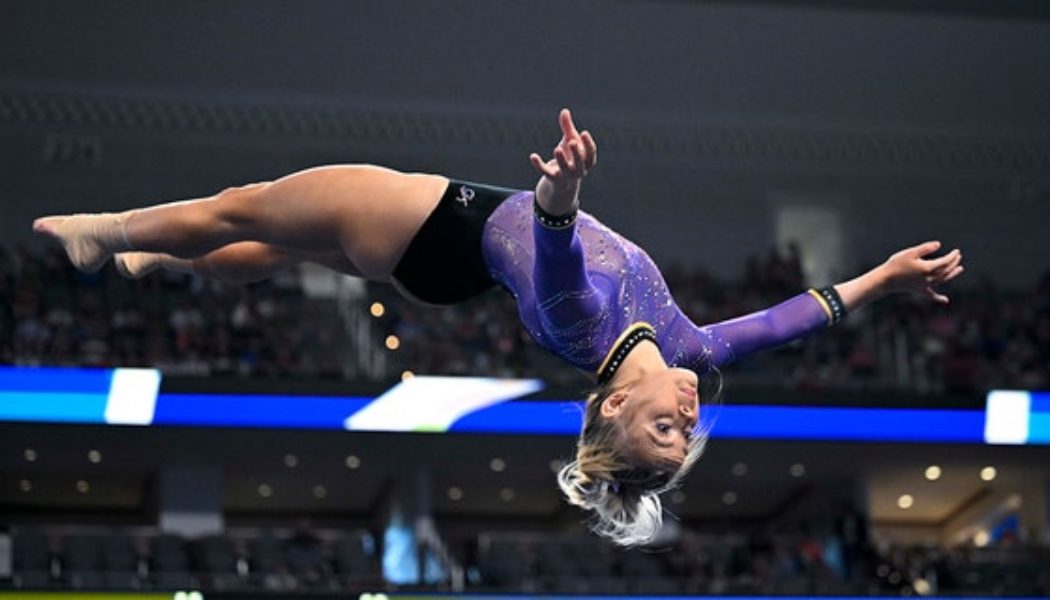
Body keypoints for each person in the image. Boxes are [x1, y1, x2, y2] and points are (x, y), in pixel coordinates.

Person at [34, 109, 964, 546]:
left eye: (663, 428)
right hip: (445, 269)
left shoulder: (583, 322)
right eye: (688, 431)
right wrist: (881, 278)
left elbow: (556, 252)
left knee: (248, 206)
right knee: (287, 250)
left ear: (606, 410)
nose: (687, 411)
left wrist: (560, 193)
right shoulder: (685, 349)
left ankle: (105, 233)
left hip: (440, 225)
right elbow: (787, 319)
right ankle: (162, 258)